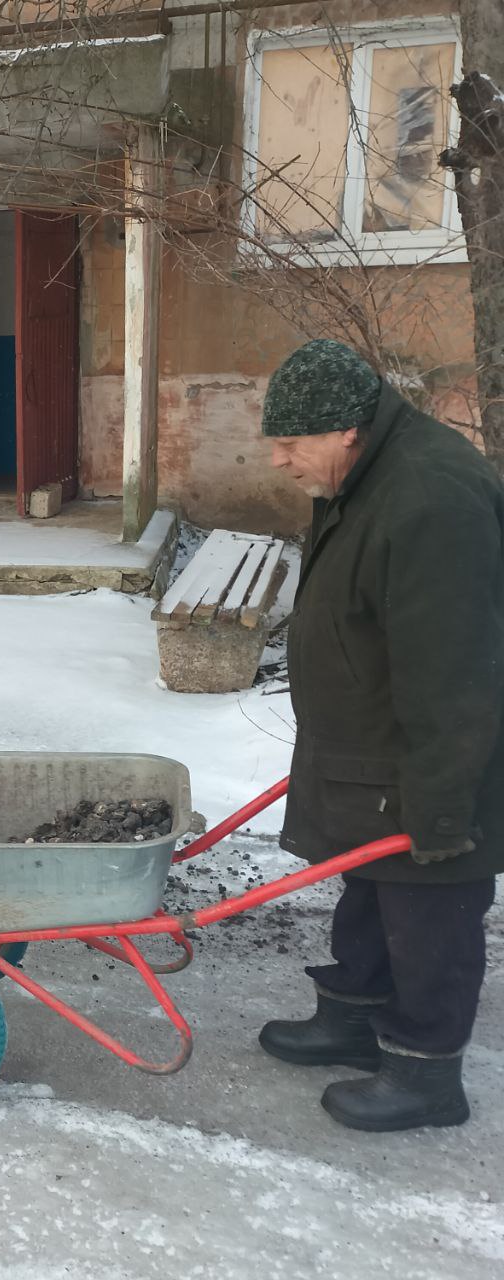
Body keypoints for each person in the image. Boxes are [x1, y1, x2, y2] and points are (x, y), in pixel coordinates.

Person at [255, 338, 504, 1131]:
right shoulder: (369, 476)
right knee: (370, 893)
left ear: (346, 430)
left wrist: (440, 813)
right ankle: (354, 1018)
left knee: (429, 909)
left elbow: (456, 672)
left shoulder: (430, 499)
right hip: (372, 755)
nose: (279, 461)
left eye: (291, 444)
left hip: (426, 763)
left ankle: (427, 1075)